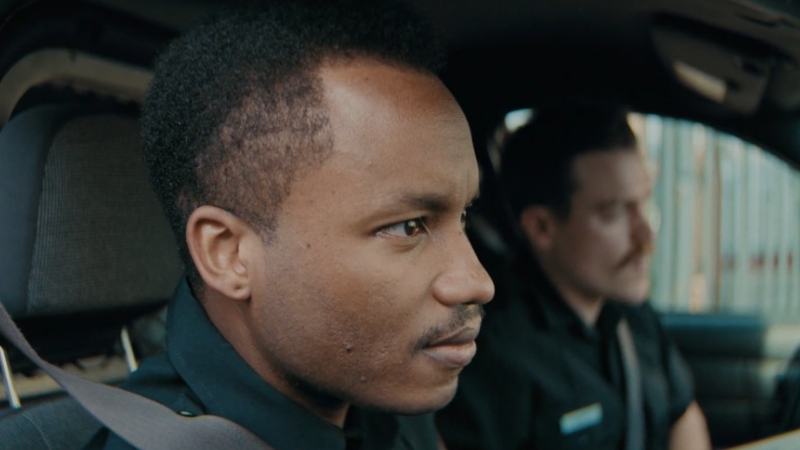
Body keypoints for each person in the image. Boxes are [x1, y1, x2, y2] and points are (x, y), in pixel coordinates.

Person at [87, 2, 495, 449]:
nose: (477, 282)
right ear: (229, 255)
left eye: (463, 216)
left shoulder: (380, 397)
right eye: (408, 227)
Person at [436, 103, 711, 450]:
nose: (647, 235)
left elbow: (683, 415)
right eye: (613, 213)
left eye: (643, 202)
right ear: (542, 227)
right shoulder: (495, 354)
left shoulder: (633, 314)